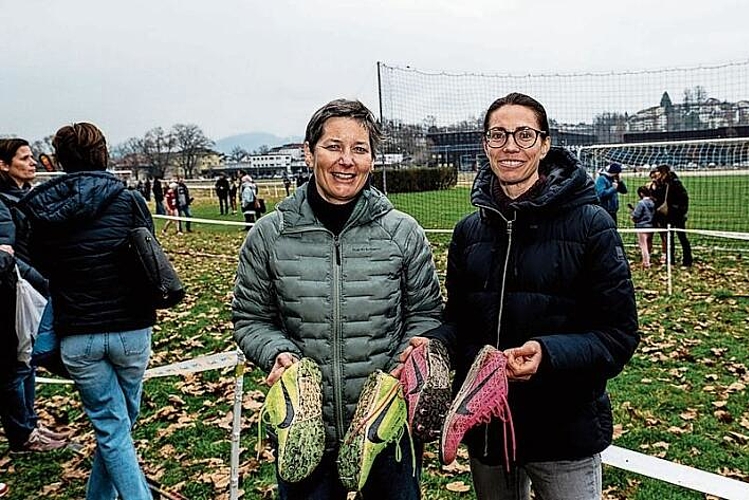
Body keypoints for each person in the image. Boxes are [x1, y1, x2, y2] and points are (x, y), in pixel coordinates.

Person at [405, 93, 639, 500]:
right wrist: (437, 344)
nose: (510, 146)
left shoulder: (591, 224)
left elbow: (618, 336)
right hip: (489, 430)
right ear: (485, 144)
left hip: (564, 430)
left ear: (545, 144)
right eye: (498, 134)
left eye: (524, 135)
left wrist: (546, 354)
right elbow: (459, 319)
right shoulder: (468, 233)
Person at [232, 98, 443, 500]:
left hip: (386, 425)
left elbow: (426, 315)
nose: (346, 160)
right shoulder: (269, 234)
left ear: (372, 160)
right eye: (333, 146)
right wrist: (276, 352)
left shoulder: (403, 233)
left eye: (359, 149)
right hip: (304, 428)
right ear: (308, 153)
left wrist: (398, 374)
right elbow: (249, 318)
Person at [19, 122, 156, 500]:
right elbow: (148, 256)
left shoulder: (40, 210)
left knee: (116, 427)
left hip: (77, 330)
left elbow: (38, 267)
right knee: (116, 427)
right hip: (130, 326)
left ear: (61, 158)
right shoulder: (129, 200)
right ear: (102, 153)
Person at [0, 138, 70, 454]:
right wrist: (42, 280)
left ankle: (30, 424)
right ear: (4, 165)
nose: (32, 163)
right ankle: (22, 435)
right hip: (11, 293)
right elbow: (7, 256)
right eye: (24, 158)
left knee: (26, 361)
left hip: (28, 291)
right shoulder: (1, 203)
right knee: (14, 364)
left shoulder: (23, 196)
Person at [650, 164, 692, 266]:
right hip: (670, 215)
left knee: (681, 237)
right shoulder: (664, 184)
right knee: (669, 238)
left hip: (676, 215)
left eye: (657, 172)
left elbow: (681, 199)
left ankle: (687, 260)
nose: (656, 174)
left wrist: (677, 210)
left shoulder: (673, 184)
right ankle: (671, 260)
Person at [630, 185, 656, 268]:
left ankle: (646, 262)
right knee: (649, 244)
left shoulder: (641, 203)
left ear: (641, 194)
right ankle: (649, 258)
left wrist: (632, 216)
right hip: (651, 225)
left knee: (643, 245)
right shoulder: (653, 202)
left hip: (642, 226)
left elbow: (636, 215)